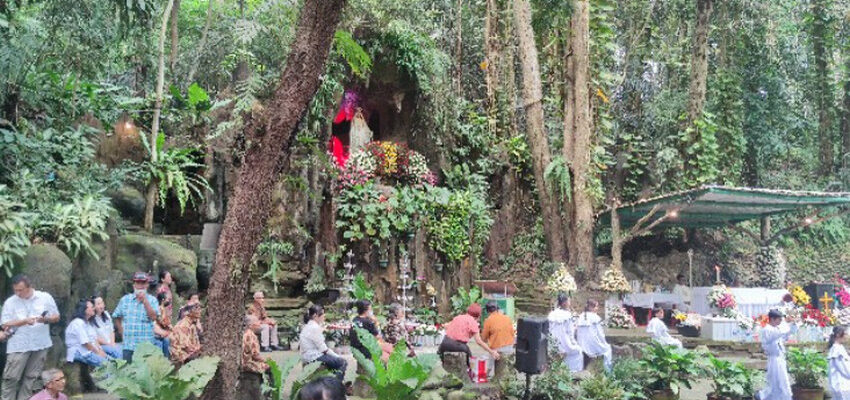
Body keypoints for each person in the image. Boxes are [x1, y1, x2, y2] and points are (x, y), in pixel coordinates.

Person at [1, 274, 60, 400]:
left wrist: (45, 319)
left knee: (31, 378)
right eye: (15, 290)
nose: (17, 293)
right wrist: (24, 321)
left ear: (29, 287)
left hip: (40, 344)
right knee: (11, 377)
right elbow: (4, 323)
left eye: (20, 290)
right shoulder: (10, 302)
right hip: (18, 345)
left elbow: (56, 316)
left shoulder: (45, 298)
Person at [113, 272, 160, 362]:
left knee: (145, 373)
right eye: (138, 283)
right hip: (128, 345)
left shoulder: (153, 300)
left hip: (146, 346)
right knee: (127, 373)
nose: (140, 286)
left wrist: (145, 301)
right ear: (134, 284)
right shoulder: (125, 300)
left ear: (147, 285)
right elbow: (116, 316)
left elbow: (154, 317)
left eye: (143, 283)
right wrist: (121, 332)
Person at [299, 305, 347, 381]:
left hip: (307, 355)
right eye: (322, 314)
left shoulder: (309, 325)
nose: (324, 316)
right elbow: (324, 349)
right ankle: (337, 384)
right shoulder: (315, 328)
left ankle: (332, 381)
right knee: (343, 362)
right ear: (315, 315)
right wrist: (337, 356)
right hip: (313, 356)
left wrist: (324, 328)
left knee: (333, 361)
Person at [757, 309, 797, 400]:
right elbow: (779, 333)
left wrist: (793, 324)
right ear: (772, 319)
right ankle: (763, 396)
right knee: (775, 382)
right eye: (779, 320)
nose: (780, 322)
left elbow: (787, 334)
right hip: (774, 359)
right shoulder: (767, 330)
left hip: (780, 358)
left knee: (783, 381)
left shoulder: (776, 329)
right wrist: (787, 322)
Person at [65, 300, 109, 367]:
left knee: (112, 361)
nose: (94, 308)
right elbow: (86, 343)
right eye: (91, 307)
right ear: (84, 310)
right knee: (107, 365)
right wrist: (98, 353)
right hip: (79, 351)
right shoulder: (78, 323)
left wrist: (100, 351)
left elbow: (94, 339)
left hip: (89, 350)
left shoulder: (87, 323)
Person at [547, 293, 583, 372]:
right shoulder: (567, 315)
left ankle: (559, 368)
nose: (570, 303)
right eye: (569, 301)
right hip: (564, 342)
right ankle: (572, 370)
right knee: (578, 351)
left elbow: (548, 328)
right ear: (564, 303)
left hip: (552, 342)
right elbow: (570, 332)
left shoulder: (552, 314)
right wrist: (574, 342)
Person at [575, 299, 613, 371]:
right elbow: (600, 333)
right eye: (596, 307)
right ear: (590, 307)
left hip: (581, 343)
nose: (597, 308)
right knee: (607, 349)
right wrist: (603, 342)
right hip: (592, 344)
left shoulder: (581, 316)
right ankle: (608, 371)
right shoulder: (595, 317)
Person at [239, 315, 269, 400]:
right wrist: (266, 361)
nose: (259, 323)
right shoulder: (250, 335)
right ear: (251, 324)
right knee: (270, 368)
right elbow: (255, 355)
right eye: (257, 321)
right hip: (249, 365)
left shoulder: (246, 333)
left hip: (246, 364)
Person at [828, 326, 850, 400]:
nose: (847, 336)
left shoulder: (840, 348)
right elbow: (845, 369)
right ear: (838, 335)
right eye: (845, 334)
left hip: (845, 385)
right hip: (841, 385)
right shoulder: (836, 350)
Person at [153, 292, 172, 358]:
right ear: (163, 300)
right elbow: (163, 322)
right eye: (168, 299)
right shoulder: (159, 309)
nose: (169, 301)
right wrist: (170, 326)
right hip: (158, 333)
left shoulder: (162, 309)